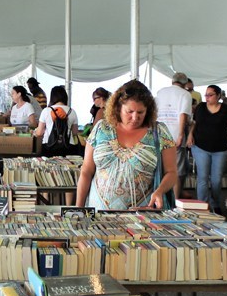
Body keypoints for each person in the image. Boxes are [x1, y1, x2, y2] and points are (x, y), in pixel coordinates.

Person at [76, 80, 177, 210]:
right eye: (129, 111)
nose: (135, 117)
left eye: (140, 112)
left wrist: (160, 191)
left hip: (142, 216)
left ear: (149, 110)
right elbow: (86, 171)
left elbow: (172, 172)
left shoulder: (159, 132)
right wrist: (78, 209)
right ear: (118, 108)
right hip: (98, 214)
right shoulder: (101, 129)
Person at [187, 84, 227, 213]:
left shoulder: (226, 110)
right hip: (200, 147)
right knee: (202, 178)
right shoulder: (201, 108)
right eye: (206, 95)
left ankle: (215, 202)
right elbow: (194, 123)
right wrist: (190, 135)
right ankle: (202, 205)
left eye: (210, 95)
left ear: (218, 96)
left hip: (220, 149)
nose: (207, 97)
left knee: (216, 180)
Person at [155, 72, 192, 200]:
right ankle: (175, 201)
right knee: (176, 169)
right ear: (185, 83)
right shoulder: (185, 94)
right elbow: (183, 115)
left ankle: (159, 197)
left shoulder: (161, 92)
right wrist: (181, 134)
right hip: (175, 134)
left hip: (159, 134)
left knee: (160, 167)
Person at [34, 85, 79, 155]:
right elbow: (75, 132)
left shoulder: (46, 111)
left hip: (49, 145)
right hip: (68, 146)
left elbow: (39, 133)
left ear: (52, 97)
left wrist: (35, 132)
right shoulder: (72, 111)